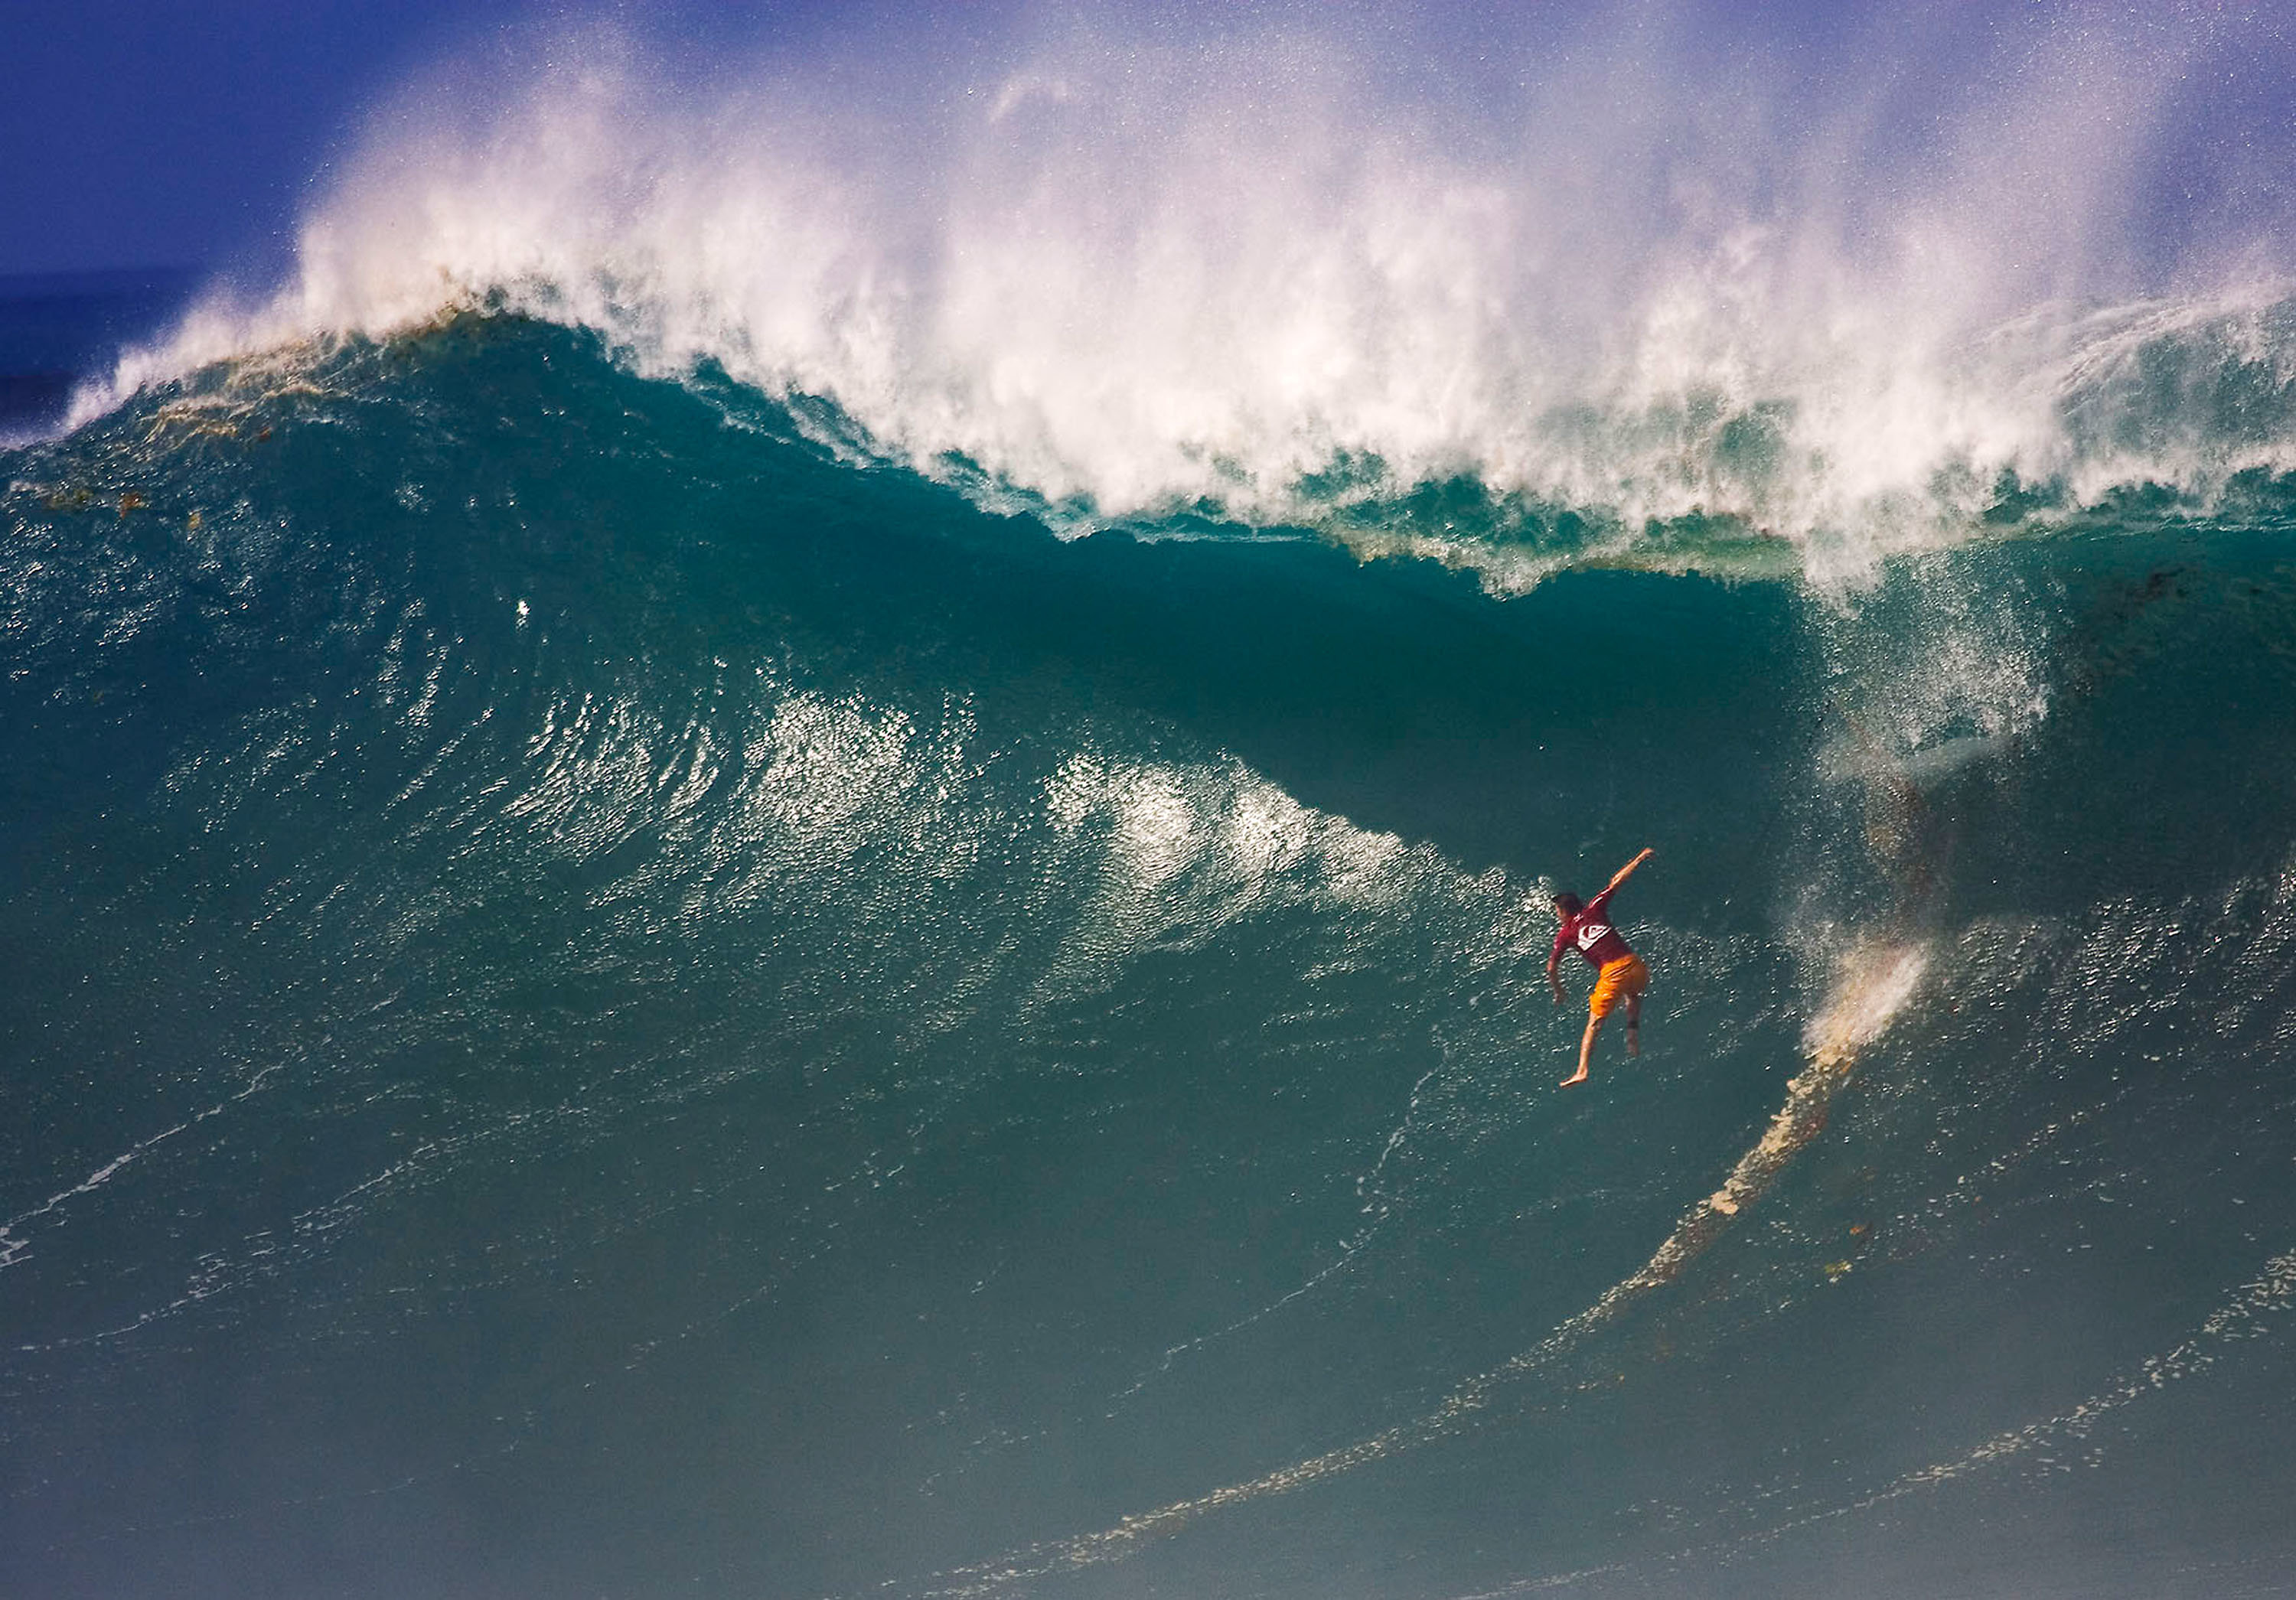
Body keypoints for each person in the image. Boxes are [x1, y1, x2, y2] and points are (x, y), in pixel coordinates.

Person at [1547, 847, 1655, 1087]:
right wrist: (1638, 859)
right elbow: (1616, 882)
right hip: (1636, 966)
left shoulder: (1565, 934)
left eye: (1557, 911)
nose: (1557, 915)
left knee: (1594, 1024)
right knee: (1633, 994)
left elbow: (1551, 967)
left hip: (1612, 974)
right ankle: (1632, 1034)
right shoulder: (1594, 908)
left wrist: (1558, 990)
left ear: (1564, 911)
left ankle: (1582, 1070)